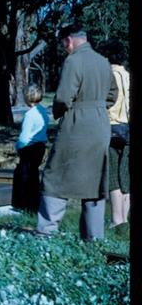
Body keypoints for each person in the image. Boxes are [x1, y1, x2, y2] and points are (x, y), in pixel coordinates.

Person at [37, 23, 118, 241]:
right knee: (95, 181)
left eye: (64, 44)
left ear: (69, 40)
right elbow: (113, 95)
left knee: (55, 176)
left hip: (77, 123)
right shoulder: (103, 62)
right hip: (101, 125)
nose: (65, 48)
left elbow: (63, 97)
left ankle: (46, 233)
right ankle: (94, 239)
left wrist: (58, 112)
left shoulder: (73, 61)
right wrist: (97, 107)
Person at [99, 39, 130, 228]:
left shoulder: (107, 76)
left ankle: (116, 220)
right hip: (128, 130)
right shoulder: (128, 75)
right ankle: (125, 219)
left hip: (111, 129)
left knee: (113, 178)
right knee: (126, 175)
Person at [11, 84, 49, 213]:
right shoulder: (43, 111)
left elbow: (24, 136)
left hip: (29, 148)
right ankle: (34, 203)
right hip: (40, 146)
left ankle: (23, 204)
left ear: (27, 97)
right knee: (33, 174)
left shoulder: (29, 115)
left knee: (23, 176)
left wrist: (18, 147)